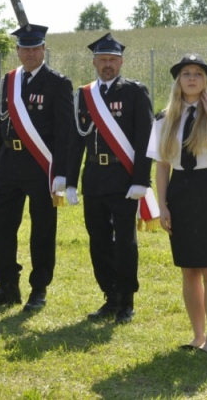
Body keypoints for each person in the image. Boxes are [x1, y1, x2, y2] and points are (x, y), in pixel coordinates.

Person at [146, 54, 207, 352]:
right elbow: (162, 166)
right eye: (186, 73)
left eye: (198, 73)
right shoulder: (164, 118)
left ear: (206, 80)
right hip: (180, 193)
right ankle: (198, 336)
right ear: (178, 80)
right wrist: (162, 206)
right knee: (188, 270)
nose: (192, 78)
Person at [0, 24, 73, 312]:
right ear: (17, 51)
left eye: (35, 48)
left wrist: (62, 173)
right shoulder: (9, 80)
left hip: (40, 166)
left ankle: (38, 289)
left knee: (42, 229)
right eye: (25, 48)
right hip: (9, 162)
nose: (30, 53)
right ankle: (7, 286)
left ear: (44, 49)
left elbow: (65, 132)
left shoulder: (58, 83)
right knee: (0, 225)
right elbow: (0, 124)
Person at [66, 33, 154, 324]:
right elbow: (76, 141)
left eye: (113, 60)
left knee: (124, 242)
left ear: (121, 62)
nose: (107, 65)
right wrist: (70, 181)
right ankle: (110, 296)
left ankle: (126, 300)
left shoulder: (134, 92)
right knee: (99, 240)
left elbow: (145, 139)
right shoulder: (84, 94)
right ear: (94, 62)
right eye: (102, 59)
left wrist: (141, 180)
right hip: (93, 177)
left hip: (123, 178)